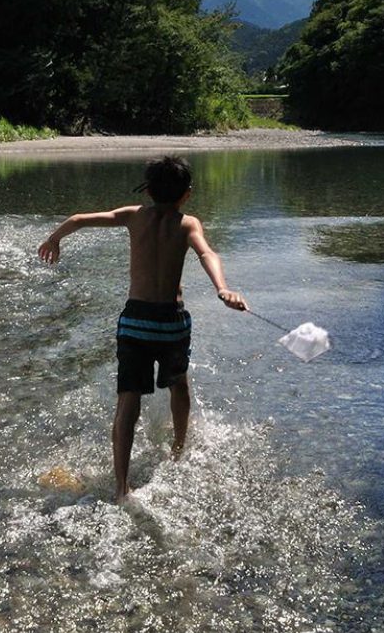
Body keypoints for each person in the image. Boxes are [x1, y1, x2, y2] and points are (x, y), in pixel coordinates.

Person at [36, 155, 247, 501]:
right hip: (170, 322)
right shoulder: (188, 223)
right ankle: (179, 452)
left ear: (147, 189)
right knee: (179, 385)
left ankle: (121, 487)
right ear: (187, 194)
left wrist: (54, 239)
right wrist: (221, 288)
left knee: (127, 401)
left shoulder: (133, 216)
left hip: (135, 321)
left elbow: (77, 219)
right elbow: (208, 254)